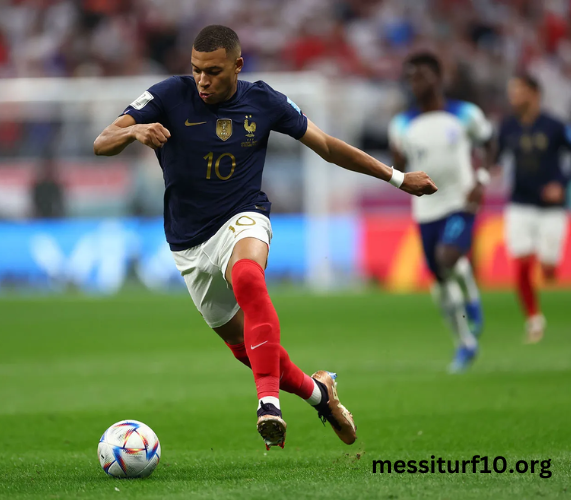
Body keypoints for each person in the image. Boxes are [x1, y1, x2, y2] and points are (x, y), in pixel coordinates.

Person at [94, 25, 436, 449]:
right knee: (247, 349)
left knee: (248, 277)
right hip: (188, 243)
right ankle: (320, 394)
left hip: (243, 216)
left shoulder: (264, 101)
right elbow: (101, 140)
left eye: (214, 72)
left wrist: (399, 178)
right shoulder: (167, 95)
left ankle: (267, 404)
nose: (202, 80)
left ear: (238, 65)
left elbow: (326, 145)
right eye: (197, 70)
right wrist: (134, 132)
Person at [389, 52, 495, 373]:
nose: (415, 82)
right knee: (439, 279)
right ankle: (464, 343)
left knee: (448, 257)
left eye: (421, 75)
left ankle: (472, 298)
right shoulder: (402, 124)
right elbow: (402, 165)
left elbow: (489, 144)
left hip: (460, 201)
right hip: (425, 209)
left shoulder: (465, 114)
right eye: (410, 77)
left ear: (438, 78)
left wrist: (481, 179)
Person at [497, 74, 571, 343]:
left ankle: (550, 267)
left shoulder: (554, 126)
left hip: (551, 207)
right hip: (520, 204)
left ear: (533, 93)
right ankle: (534, 319)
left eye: (518, 90)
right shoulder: (507, 127)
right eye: (511, 91)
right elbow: (496, 157)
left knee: (549, 265)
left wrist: (561, 184)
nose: (513, 96)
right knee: (522, 263)